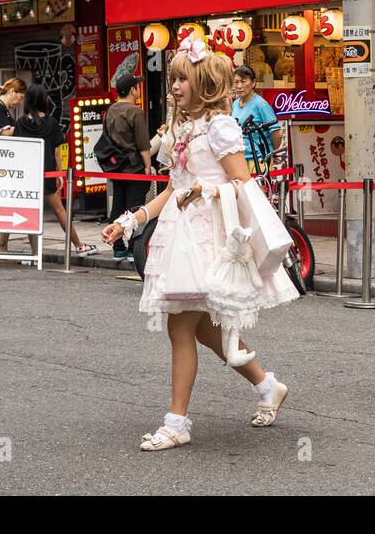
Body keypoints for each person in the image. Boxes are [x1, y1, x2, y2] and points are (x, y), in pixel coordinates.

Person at [102, 41, 299, 450]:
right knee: (207, 329)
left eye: (181, 78)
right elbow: (171, 190)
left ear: (205, 83)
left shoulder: (220, 126)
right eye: (172, 78)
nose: (173, 86)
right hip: (181, 233)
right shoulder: (181, 129)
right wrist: (130, 221)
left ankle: (177, 422)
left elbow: (242, 182)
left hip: (209, 236)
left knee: (181, 326)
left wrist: (204, 190)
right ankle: (267, 387)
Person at [12, 84, 96, 257]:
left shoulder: (21, 123)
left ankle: (36, 253)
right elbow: (57, 152)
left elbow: (17, 149)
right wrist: (60, 174)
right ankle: (79, 246)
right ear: (44, 100)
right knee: (60, 211)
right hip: (47, 174)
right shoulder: (51, 122)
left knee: (31, 213)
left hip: (27, 175)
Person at [104, 75, 153, 263]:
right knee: (135, 208)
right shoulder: (134, 111)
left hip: (116, 166)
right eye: (137, 87)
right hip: (134, 167)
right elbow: (143, 143)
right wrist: (148, 166)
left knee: (118, 204)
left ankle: (117, 248)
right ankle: (133, 249)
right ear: (132, 90)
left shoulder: (111, 110)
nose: (138, 90)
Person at [0, 78, 26, 255]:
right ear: (12, 92)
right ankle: (1, 249)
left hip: (3, 164)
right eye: (20, 98)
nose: (20, 103)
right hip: (1, 166)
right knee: (5, 205)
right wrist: (26, 126)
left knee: (7, 205)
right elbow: (6, 133)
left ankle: (3, 249)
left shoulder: (1, 109)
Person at [231, 63, 280, 166]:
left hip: (259, 159)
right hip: (240, 158)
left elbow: (276, 132)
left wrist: (274, 153)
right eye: (236, 82)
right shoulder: (235, 104)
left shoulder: (261, 104)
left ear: (253, 83)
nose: (239, 86)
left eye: (243, 82)